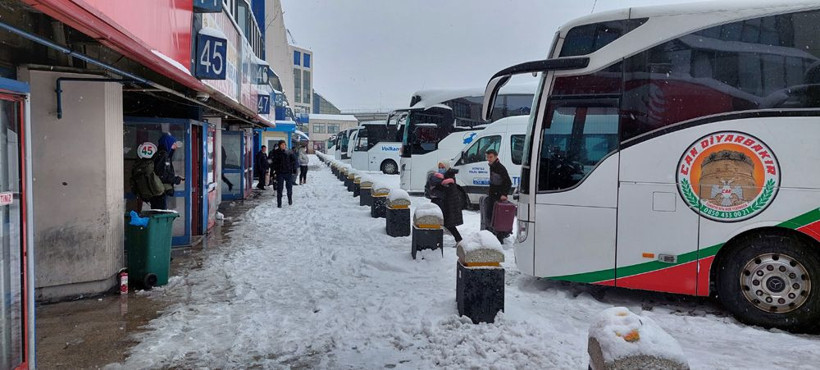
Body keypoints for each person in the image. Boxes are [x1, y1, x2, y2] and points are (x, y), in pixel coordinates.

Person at [426, 160, 464, 246]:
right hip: (443, 203)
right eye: (439, 167)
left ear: (447, 167)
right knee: (445, 223)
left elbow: (449, 190)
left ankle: (459, 240)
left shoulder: (450, 176)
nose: (441, 169)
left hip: (448, 204)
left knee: (448, 223)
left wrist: (444, 183)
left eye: (443, 167)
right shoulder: (441, 177)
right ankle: (458, 239)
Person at [151, 133, 184, 210]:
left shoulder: (163, 155)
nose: (175, 147)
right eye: (173, 144)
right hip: (158, 192)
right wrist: (177, 179)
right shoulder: (163, 156)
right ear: (167, 144)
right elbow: (162, 176)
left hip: (159, 191)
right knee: (160, 213)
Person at [485, 148, 512, 242]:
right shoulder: (492, 166)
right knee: (491, 215)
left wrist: (504, 194)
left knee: (497, 216)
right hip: (493, 194)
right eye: (487, 157)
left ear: (496, 157)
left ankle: (500, 237)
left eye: (491, 157)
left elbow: (508, 182)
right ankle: (495, 235)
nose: (489, 159)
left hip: (498, 195)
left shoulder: (500, 167)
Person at [270, 140, 298, 207]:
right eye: (282, 145)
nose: (283, 146)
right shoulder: (275, 152)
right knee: (280, 188)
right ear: (279, 145)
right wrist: (272, 171)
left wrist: (294, 169)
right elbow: (272, 162)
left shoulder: (289, 152)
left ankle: (290, 200)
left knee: (289, 188)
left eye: (284, 145)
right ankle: (279, 203)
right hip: (280, 173)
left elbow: (295, 160)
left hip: (288, 172)